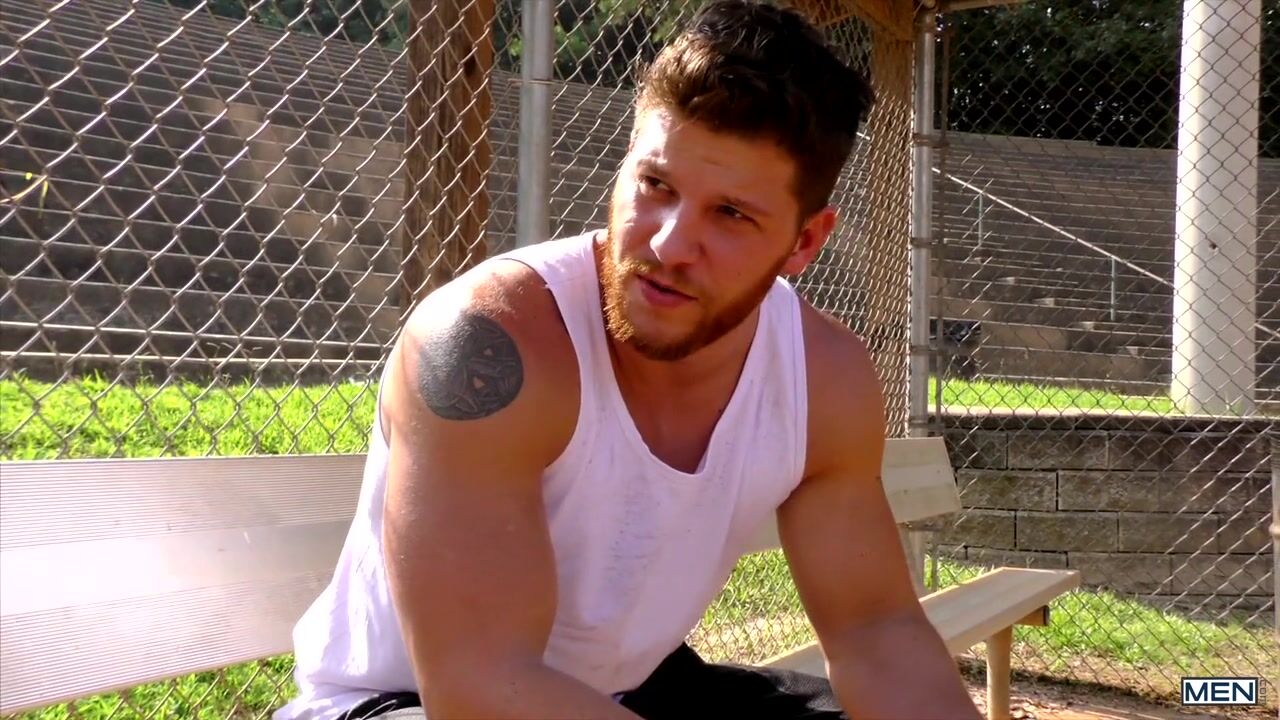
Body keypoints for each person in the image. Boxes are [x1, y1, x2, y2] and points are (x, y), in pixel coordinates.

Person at [275, 1, 982, 718]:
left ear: (804, 242)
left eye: (731, 214)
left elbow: (875, 631)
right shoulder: (492, 342)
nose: (669, 245)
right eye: (656, 185)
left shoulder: (822, 379)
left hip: (619, 692)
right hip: (403, 703)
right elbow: (480, 684)